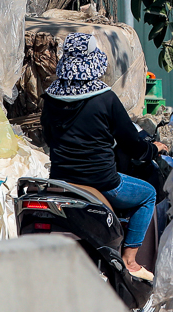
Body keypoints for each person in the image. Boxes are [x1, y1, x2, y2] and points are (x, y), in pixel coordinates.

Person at [41, 33, 163, 280]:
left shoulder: (51, 97)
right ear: (94, 61)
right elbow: (133, 144)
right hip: (102, 183)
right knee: (148, 194)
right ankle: (130, 260)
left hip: (62, 182)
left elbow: (48, 138)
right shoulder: (105, 98)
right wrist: (155, 149)